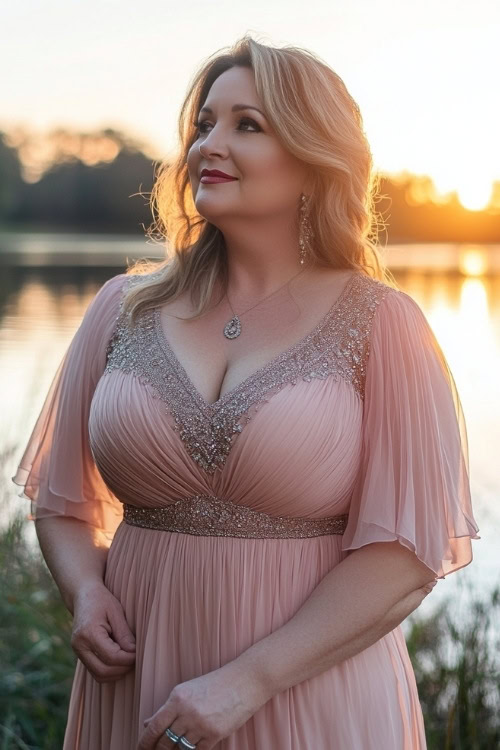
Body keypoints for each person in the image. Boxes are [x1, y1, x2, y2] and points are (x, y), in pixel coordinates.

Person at [12, 35, 480, 750]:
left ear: (314, 158)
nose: (209, 145)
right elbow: (62, 501)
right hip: (133, 686)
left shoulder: (385, 324)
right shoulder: (121, 308)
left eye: (247, 125)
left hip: (310, 694)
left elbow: (407, 558)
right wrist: (84, 593)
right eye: (203, 124)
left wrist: (250, 682)